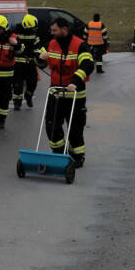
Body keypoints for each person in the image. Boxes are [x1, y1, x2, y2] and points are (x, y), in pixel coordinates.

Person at [39, 17, 94, 167]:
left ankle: (77, 157)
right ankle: (59, 154)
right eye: (51, 30)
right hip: (56, 94)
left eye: (55, 30)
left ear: (64, 29)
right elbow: (40, 61)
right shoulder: (51, 44)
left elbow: (88, 64)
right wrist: (41, 58)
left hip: (74, 95)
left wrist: (75, 81)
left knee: (75, 129)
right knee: (51, 126)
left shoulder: (79, 45)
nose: (52, 33)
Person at [12, 14, 42, 110]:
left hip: (30, 63)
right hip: (18, 64)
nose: (34, 29)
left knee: (33, 82)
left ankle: (28, 95)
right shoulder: (16, 33)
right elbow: (13, 46)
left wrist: (36, 55)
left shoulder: (34, 35)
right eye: (32, 28)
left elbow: (37, 47)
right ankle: (17, 103)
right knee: (17, 85)